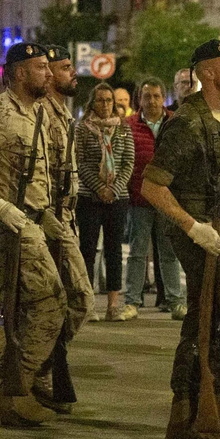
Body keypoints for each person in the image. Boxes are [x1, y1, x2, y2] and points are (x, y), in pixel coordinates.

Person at [141, 38, 220, 439]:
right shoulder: (188, 122)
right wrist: (194, 228)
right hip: (195, 234)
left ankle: (186, 414)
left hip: (216, 232)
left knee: (202, 322)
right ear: (207, 73)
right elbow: (153, 186)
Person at [0, 42, 64, 427]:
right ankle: (12, 388)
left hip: (35, 218)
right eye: (42, 67)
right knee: (47, 301)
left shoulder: (39, 113)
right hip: (8, 222)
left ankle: (8, 389)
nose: (49, 73)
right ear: (21, 72)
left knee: (32, 305)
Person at [38, 45, 94, 410]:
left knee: (81, 301)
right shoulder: (40, 113)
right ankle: (35, 372)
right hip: (44, 219)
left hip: (66, 219)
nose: (72, 72)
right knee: (47, 303)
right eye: (64, 67)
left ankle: (45, 361)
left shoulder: (64, 113)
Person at [126, 78, 186, 319]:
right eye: (147, 96)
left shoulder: (175, 123)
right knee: (137, 252)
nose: (152, 101)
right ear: (139, 99)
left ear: (164, 97)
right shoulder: (129, 124)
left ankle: (176, 302)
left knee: (169, 252)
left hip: (167, 198)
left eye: (156, 96)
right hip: (139, 199)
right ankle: (132, 302)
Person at [77, 81, 135, 321]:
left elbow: (128, 161)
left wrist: (114, 188)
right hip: (90, 197)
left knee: (114, 251)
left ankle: (113, 304)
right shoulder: (83, 128)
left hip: (117, 198)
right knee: (87, 249)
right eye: (100, 100)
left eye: (109, 100)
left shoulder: (122, 128)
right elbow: (80, 161)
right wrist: (100, 188)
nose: (105, 105)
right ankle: (88, 303)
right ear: (93, 102)